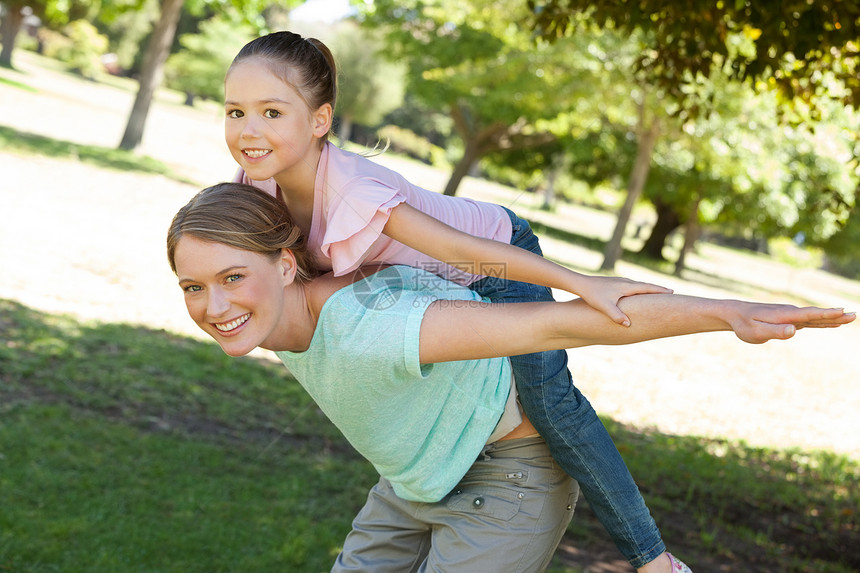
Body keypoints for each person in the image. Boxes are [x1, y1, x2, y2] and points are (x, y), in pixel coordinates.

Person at [167, 183, 854, 572]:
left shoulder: (376, 327)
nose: (215, 307)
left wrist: (730, 311)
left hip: (507, 480)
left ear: (287, 264)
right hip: (414, 479)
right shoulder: (273, 310)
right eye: (193, 286)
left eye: (233, 278)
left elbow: (562, 325)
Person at [223, 30, 685, 571]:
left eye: (271, 113)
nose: (248, 130)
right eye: (235, 112)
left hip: (494, 259)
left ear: (320, 120)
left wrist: (584, 283)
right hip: (424, 285)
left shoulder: (353, 192)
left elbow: (469, 251)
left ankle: (654, 558)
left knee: (548, 400)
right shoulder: (255, 186)